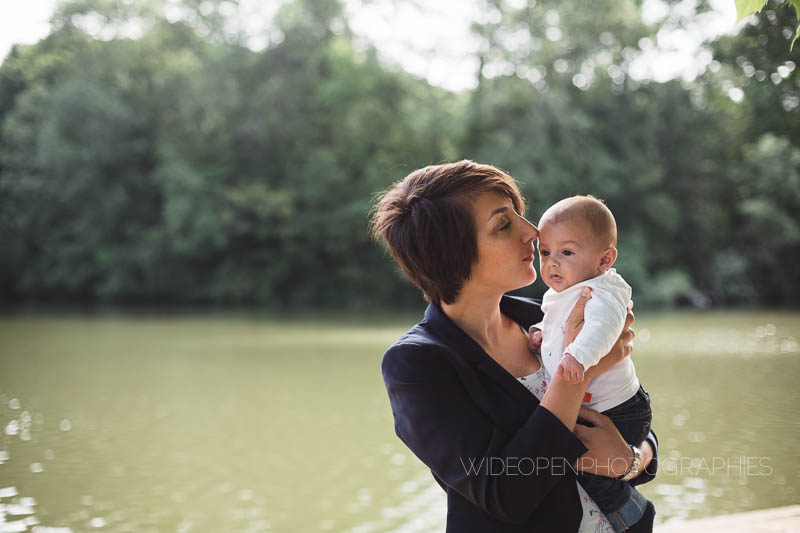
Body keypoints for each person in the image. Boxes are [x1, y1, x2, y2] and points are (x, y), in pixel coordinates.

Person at [370, 160, 658, 532]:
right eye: (504, 224)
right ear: (451, 255)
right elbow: (505, 494)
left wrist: (631, 461)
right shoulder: (417, 364)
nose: (532, 232)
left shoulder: (543, 316)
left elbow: (630, 415)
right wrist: (575, 376)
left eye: (519, 215)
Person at [528, 195, 654, 532]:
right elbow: (556, 322)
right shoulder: (564, 292)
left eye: (566, 252)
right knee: (584, 466)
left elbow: (604, 328)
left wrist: (578, 356)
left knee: (592, 473)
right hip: (602, 408)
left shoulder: (601, 291)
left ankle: (633, 515)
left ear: (605, 258)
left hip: (620, 409)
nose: (551, 263)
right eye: (545, 252)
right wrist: (542, 334)